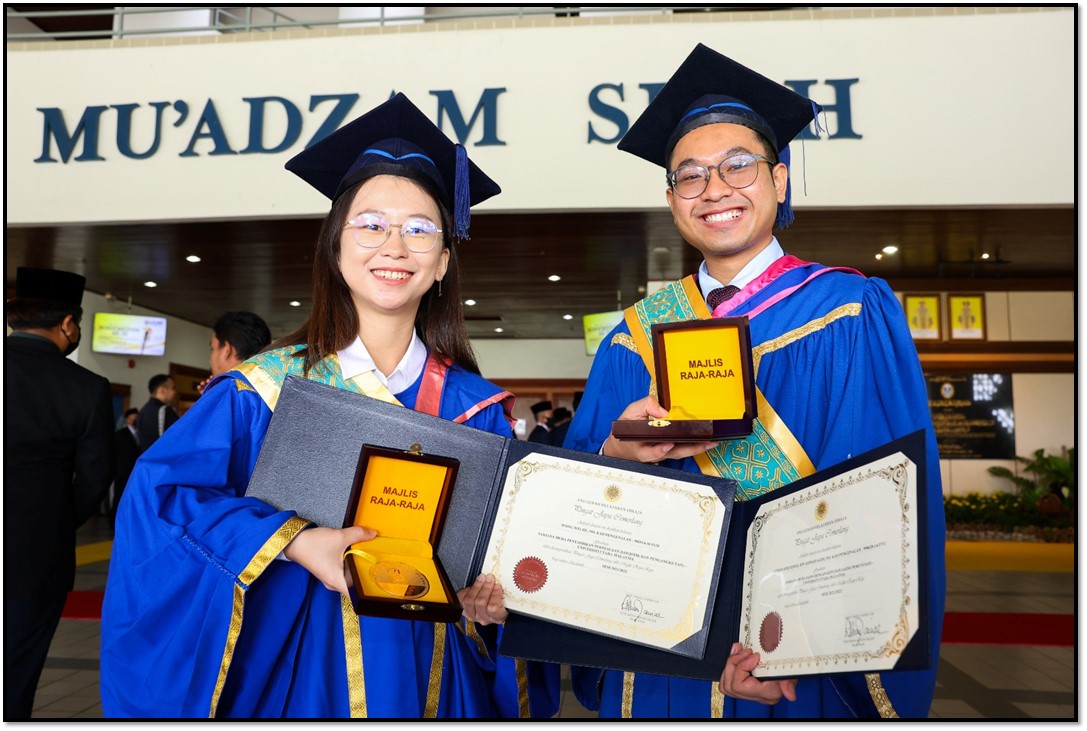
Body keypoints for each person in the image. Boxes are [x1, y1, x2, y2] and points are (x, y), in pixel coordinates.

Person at [100, 93, 559, 719]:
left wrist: (493, 607)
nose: (394, 246)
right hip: (297, 673)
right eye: (370, 224)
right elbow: (161, 502)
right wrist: (293, 541)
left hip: (433, 676)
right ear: (335, 247)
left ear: (445, 261)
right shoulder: (263, 391)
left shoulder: (480, 411)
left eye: (421, 229)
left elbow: (506, 573)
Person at [563, 44, 945, 719]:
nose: (714, 188)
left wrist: (794, 642)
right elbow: (578, 503)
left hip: (796, 655)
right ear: (671, 197)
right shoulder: (631, 337)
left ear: (779, 179)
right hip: (664, 651)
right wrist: (615, 454)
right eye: (690, 175)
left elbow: (881, 497)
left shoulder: (847, 312)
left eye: (737, 164)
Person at [5, 267, 115, 719]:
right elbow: (94, 478)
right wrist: (56, 519)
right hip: (35, 557)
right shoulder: (85, 389)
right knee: (15, 671)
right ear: (68, 324)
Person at [197, 310, 273, 393]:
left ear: (226, 350)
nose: (210, 360)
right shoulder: (272, 389)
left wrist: (209, 401)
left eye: (212, 349)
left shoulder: (227, 392)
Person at [108, 408, 141, 530]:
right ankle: (113, 522)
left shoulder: (140, 435)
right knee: (119, 497)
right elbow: (114, 453)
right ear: (127, 419)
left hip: (134, 472)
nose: (136, 420)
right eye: (133, 417)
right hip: (122, 472)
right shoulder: (121, 434)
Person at [136, 373, 179, 450]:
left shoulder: (143, 410)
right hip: (162, 459)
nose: (175, 392)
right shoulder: (165, 411)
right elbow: (179, 437)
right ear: (162, 391)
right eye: (173, 388)